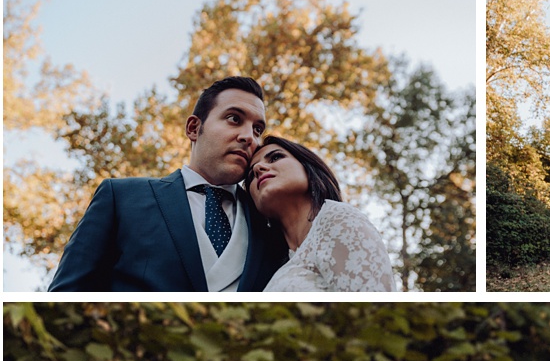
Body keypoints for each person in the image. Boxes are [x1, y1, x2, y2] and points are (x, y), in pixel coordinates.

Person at [49, 73, 285, 294]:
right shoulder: (121, 197)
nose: (249, 138)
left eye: (257, 129)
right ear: (194, 128)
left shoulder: (272, 226)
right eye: (234, 119)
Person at [247, 131, 398, 292]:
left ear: (308, 166)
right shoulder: (269, 264)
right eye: (250, 176)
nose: (258, 168)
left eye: (275, 157)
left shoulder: (338, 219)